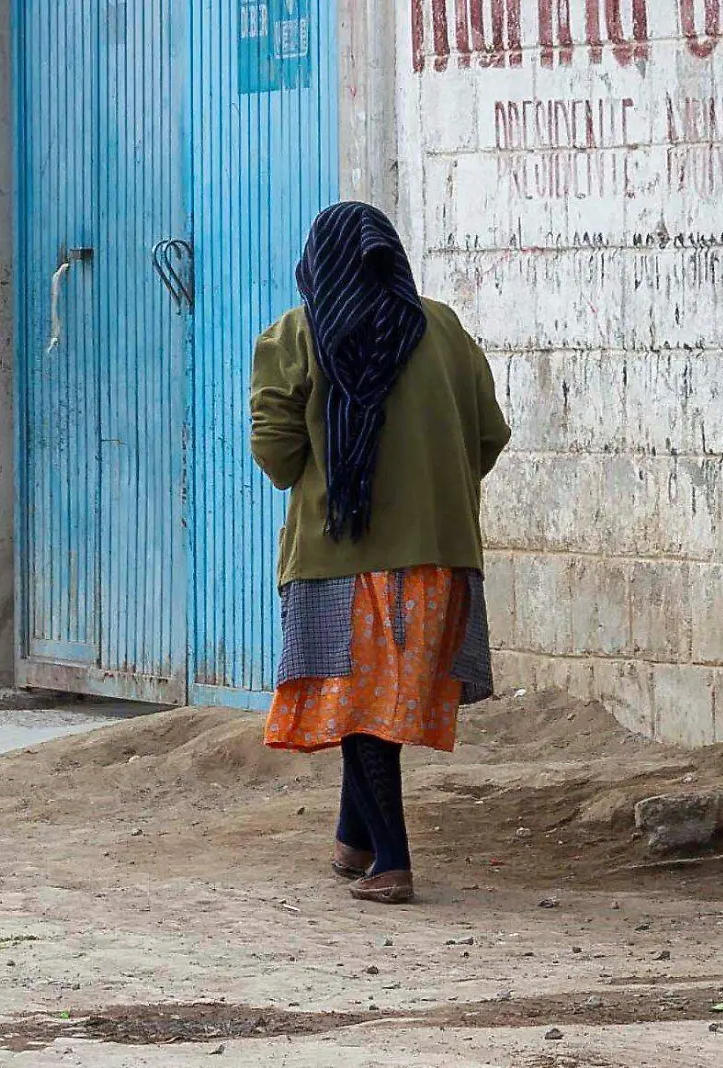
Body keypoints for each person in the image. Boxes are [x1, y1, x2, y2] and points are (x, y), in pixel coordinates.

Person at [249, 202, 510, 905]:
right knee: (371, 705)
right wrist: (429, 493)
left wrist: (342, 469)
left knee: (360, 710)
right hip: (437, 562)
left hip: (339, 561)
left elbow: (275, 457)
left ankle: (391, 861)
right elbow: (488, 433)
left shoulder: (297, 335)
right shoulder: (444, 329)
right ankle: (353, 841)